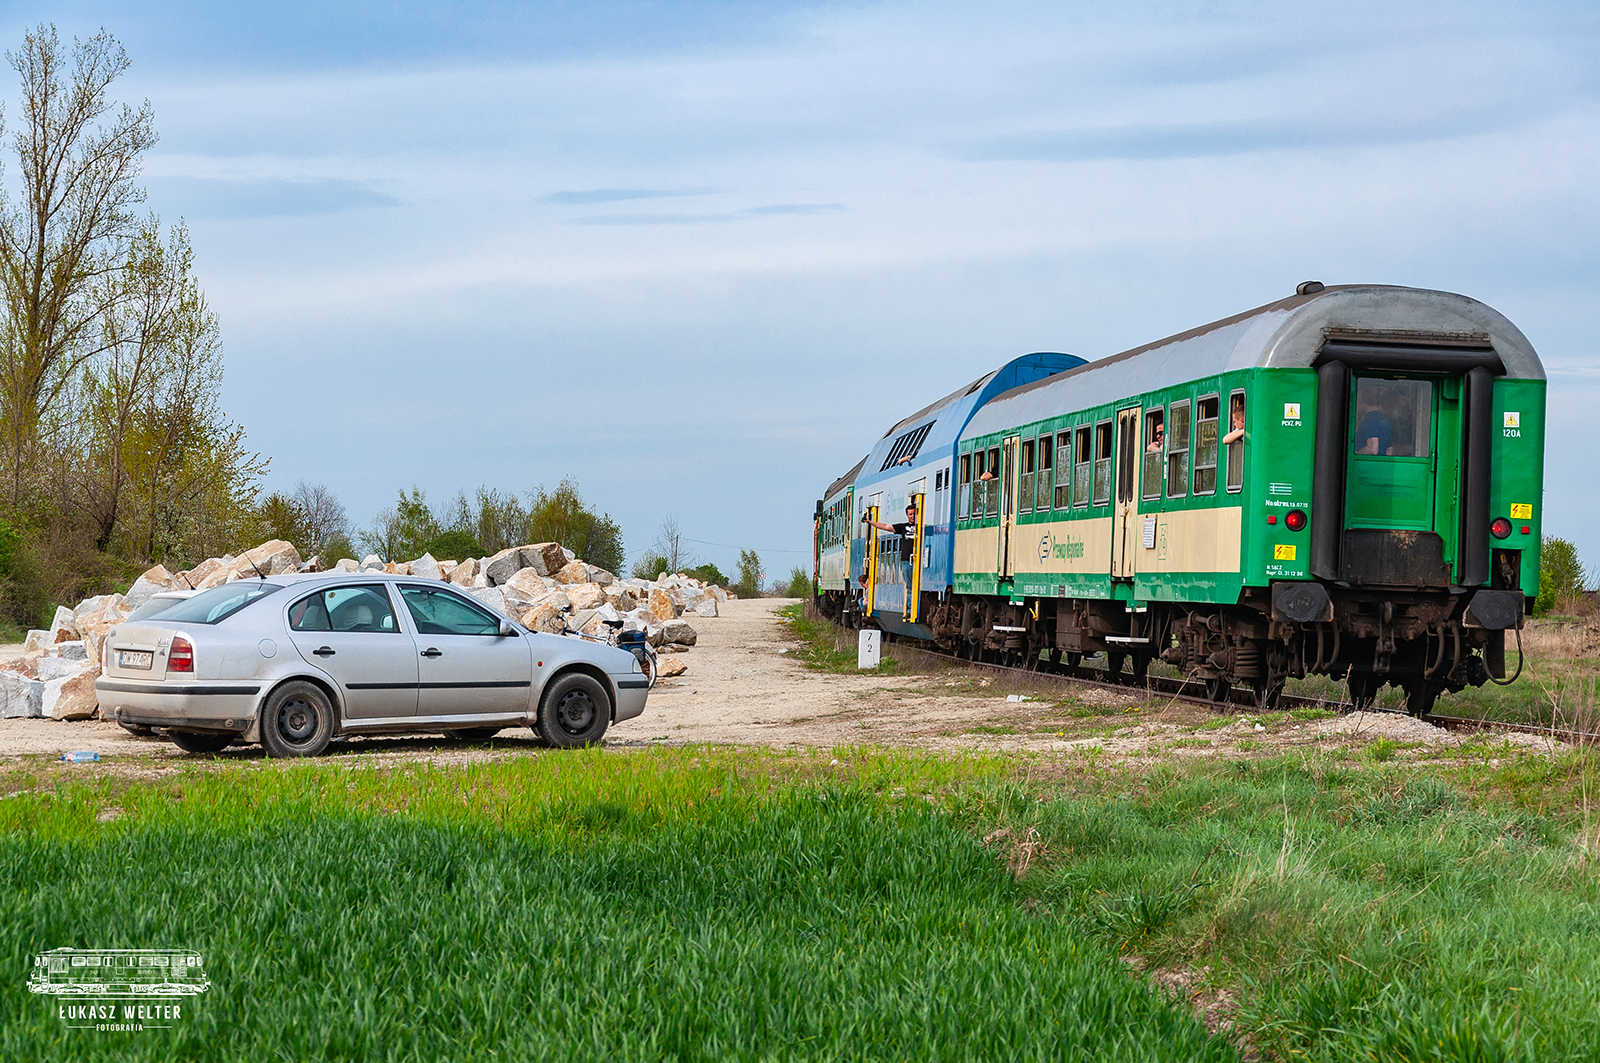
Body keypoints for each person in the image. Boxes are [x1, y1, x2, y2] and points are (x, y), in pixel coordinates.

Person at [863, 504, 919, 591]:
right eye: (910, 514)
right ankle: (910, 600)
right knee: (910, 588)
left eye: (914, 514)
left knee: (917, 587)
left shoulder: (921, 527)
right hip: (907, 561)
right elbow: (885, 526)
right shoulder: (903, 527)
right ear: (907, 515)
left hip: (919, 561)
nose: (912, 516)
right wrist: (870, 522)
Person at [1354, 390, 1393, 455]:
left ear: (1364, 402)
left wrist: (1355, 453)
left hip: (1366, 461)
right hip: (1381, 460)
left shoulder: (1370, 420)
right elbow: (1389, 449)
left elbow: (1372, 449)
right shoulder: (1385, 420)